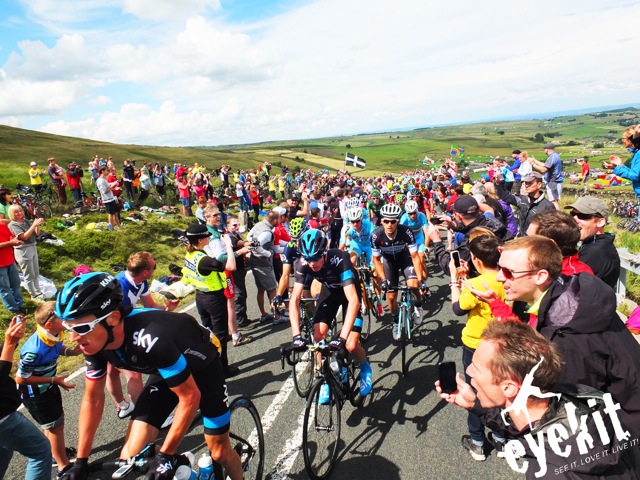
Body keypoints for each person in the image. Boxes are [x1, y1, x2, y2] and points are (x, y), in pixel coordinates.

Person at [56, 272, 244, 480]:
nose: (73, 338)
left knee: (219, 451)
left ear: (113, 318)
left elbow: (190, 398)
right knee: (130, 457)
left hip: (202, 366)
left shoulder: (151, 338)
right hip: (166, 370)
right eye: (68, 327)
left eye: (81, 328)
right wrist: (81, 460)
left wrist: (165, 454)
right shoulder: (94, 343)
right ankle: (184, 470)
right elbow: (92, 399)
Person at [466, 235, 640, 438]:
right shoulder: (570, 295)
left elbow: (562, 423)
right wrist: (496, 304)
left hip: (621, 435)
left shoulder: (566, 339)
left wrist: (477, 406)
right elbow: (531, 338)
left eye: (508, 272)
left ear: (540, 276)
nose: (499, 277)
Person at [436, 320, 640, 479]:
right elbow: (523, 427)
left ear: (508, 387)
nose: (469, 372)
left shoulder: (550, 472)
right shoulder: (575, 400)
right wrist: (474, 404)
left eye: (476, 369)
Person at [290, 229, 372, 401]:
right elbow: (295, 299)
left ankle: (365, 367)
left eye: (316, 258)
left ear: (325, 252)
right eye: (308, 258)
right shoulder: (303, 262)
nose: (312, 263)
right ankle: (325, 377)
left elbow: (353, 301)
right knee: (318, 336)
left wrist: (341, 338)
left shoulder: (339, 258)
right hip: (330, 292)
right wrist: (296, 336)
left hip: (349, 293)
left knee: (350, 345)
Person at [449, 234, 507, 461]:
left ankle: (478, 441)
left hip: (475, 344)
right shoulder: (505, 278)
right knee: (500, 391)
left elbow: (458, 308)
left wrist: (456, 281)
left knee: (476, 393)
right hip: (502, 343)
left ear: (476, 260)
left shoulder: (473, 285)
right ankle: (502, 439)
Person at [108, 252, 181, 420]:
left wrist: (167, 309)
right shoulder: (119, 286)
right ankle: (149, 417)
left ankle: (123, 406)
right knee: (133, 375)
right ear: (145, 272)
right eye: (154, 267)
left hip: (116, 330)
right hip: (108, 334)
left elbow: (149, 305)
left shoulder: (141, 281)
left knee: (112, 370)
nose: (155, 269)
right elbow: (119, 318)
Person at [16, 302, 81, 477]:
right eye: (62, 316)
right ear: (49, 324)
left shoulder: (55, 334)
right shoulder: (35, 349)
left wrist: (72, 353)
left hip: (49, 385)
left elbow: (59, 348)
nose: (67, 318)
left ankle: (53, 454)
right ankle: (63, 467)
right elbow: (21, 378)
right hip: (35, 393)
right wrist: (54, 379)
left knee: (53, 424)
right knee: (55, 427)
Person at [182, 224, 239, 377]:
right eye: (207, 235)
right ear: (200, 240)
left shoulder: (191, 254)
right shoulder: (204, 260)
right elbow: (231, 266)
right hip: (213, 298)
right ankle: (222, 369)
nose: (210, 237)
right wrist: (228, 245)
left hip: (200, 296)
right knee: (219, 335)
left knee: (207, 334)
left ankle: (209, 364)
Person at [0, 315, 52, 480]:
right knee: (40, 451)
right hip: (3, 418)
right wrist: (9, 343)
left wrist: (12, 342)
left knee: (4, 451)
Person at [371, 203, 427, 339]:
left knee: (414, 286)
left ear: (398, 221)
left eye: (393, 221)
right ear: (381, 221)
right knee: (391, 297)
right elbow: (376, 260)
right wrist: (383, 280)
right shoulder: (376, 235)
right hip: (389, 263)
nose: (389, 224)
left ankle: (418, 305)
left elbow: (414, 256)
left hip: (404, 258)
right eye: (386, 221)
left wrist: (421, 280)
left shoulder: (406, 231)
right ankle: (396, 321)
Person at [565, 196, 620, 289]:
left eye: (583, 216)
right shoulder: (597, 243)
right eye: (572, 214)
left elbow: (568, 286)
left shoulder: (594, 252)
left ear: (600, 222)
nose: (574, 220)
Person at [525, 210, 594, 278]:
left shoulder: (575, 279)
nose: (523, 242)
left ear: (550, 245)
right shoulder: (530, 262)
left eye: (529, 239)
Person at [248, 209, 284, 324]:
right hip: (263, 263)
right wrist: (267, 253)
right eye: (279, 219)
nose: (280, 220)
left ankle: (263, 314)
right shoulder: (267, 233)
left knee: (261, 289)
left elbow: (249, 237)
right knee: (272, 289)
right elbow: (256, 245)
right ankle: (276, 316)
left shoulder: (258, 224)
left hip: (254, 260)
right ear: (274, 220)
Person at [494, 172, 555, 237]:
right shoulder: (522, 200)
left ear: (539, 185)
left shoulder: (548, 206)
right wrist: (498, 184)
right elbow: (505, 196)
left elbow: (550, 230)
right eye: (526, 183)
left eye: (530, 183)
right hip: (521, 239)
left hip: (536, 242)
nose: (527, 185)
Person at [7, 205, 45, 302]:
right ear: (12, 214)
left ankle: (38, 291)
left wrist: (37, 225)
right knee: (29, 274)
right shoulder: (13, 225)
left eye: (20, 211)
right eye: (16, 212)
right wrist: (33, 225)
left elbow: (36, 234)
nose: (19, 213)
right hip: (23, 250)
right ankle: (33, 294)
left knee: (36, 272)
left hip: (32, 246)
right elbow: (23, 237)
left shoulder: (26, 221)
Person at [604, 124, 640, 221]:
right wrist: (618, 166)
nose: (622, 140)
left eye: (623, 138)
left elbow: (635, 176)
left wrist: (618, 169)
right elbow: (635, 173)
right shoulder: (637, 154)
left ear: (630, 139)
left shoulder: (639, 154)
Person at [0, 220, 24, 314]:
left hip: (10, 260)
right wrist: (10, 243)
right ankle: (14, 309)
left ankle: (20, 305)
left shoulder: (2, 225)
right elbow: (10, 242)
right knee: (5, 288)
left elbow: (11, 237)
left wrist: (15, 241)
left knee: (16, 285)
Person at [530, 143, 564, 209]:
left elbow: (543, 169)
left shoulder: (552, 157)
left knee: (553, 201)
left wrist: (533, 164)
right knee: (555, 200)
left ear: (547, 149)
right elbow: (545, 165)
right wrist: (535, 161)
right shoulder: (555, 156)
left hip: (553, 181)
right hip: (555, 181)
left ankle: (557, 217)